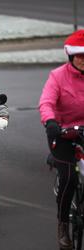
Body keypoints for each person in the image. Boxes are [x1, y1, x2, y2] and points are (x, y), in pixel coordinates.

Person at [39, 29, 84, 249]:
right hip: (63, 133)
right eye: (79, 56)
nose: (83, 61)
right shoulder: (57, 76)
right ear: (71, 56)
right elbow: (46, 101)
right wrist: (51, 122)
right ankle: (63, 224)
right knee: (69, 177)